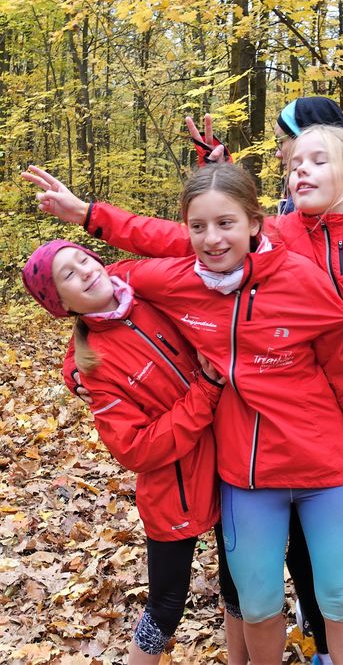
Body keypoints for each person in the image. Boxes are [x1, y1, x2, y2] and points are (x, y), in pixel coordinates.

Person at [22, 113, 343, 665]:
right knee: (297, 570)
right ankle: (322, 649)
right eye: (294, 163)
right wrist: (89, 223)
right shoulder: (277, 234)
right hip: (290, 440)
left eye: (317, 161)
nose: (301, 171)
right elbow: (145, 266)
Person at [21, 240, 247, 665]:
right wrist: (206, 391)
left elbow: (187, 257)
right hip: (174, 489)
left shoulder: (149, 295)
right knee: (165, 607)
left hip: (232, 461)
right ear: (61, 304)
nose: (85, 271)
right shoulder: (94, 366)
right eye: (68, 275)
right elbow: (135, 448)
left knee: (240, 588)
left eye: (84, 259)